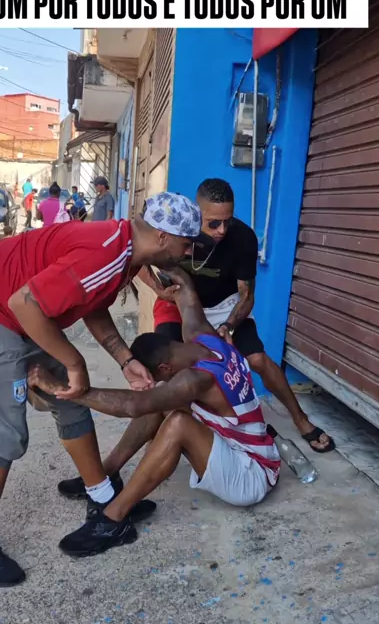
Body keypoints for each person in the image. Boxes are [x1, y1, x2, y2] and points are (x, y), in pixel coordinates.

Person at [0, 192, 203, 587]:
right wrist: (75, 362)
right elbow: (25, 304)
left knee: (71, 398)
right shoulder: (107, 253)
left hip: (19, 305)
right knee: (3, 427)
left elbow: (91, 301)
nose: (188, 253)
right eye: (187, 244)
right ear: (164, 237)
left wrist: (124, 358)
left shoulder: (126, 253)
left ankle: (100, 495)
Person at [29, 265, 281, 557]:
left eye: (157, 376)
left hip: (252, 475)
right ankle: (107, 474)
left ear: (165, 367)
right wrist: (162, 268)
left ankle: (113, 520)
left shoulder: (195, 380)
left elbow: (133, 406)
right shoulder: (202, 336)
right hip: (243, 448)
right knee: (161, 401)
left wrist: (62, 388)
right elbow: (185, 287)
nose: (157, 380)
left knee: (176, 422)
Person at [138, 179, 334, 454]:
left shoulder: (242, 237)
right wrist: (159, 290)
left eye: (227, 221)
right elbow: (137, 259)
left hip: (224, 306)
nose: (221, 230)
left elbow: (246, 294)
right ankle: (168, 435)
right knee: (166, 367)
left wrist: (229, 325)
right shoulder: (175, 226)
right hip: (177, 302)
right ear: (197, 213)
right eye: (213, 223)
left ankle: (301, 420)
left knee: (257, 359)